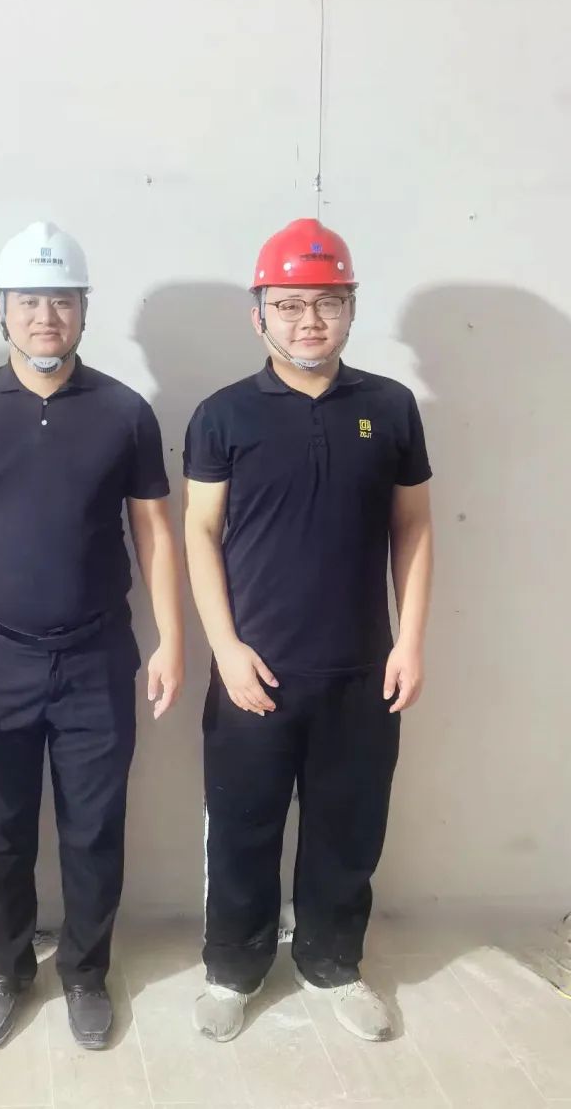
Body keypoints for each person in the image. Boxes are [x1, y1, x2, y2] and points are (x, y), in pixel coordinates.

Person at [0, 221, 185, 1051]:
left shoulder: (124, 412)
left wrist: (172, 637)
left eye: (62, 301)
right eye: (30, 300)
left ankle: (84, 973)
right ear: (2, 308)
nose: (46, 317)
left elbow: (154, 530)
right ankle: (5, 970)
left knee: (93, 827)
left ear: (83, 311)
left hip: (97, 656)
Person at [183, 218, 433, 1043]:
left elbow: (414, 528)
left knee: (347, 830)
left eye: (327, 303)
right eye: (290, 304)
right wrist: (225, 650)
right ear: (259, 314)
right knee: (242, 829)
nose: (309, 321)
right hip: (255, 670)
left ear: (352, 308)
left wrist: (410, 640)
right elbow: (200, 532)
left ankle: (332, 963)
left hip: (362, 671)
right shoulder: (223, 415)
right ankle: (232, 971)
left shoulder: (390, 408)